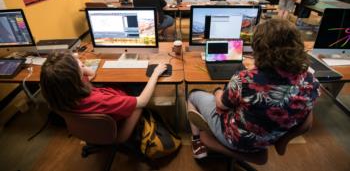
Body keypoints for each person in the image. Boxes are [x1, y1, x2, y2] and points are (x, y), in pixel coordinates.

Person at [187, 19, 320, 159]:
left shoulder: (245, 80)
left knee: (193, 95)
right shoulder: (312, 83)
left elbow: (221, 104)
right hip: (269, 140)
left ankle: (196, 140)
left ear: (258, 47)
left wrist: (217, 91)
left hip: (236, 139)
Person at [40, 52, 167, 123]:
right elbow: (143, 101)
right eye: (77, 64)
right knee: (140, 81)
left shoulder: (61, 93)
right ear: (74, 77)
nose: (80, 62)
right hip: (117, 116)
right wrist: (155, 73)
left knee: (116, 79)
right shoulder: (101, 101)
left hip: (92, 123)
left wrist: (77, 66)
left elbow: (92, 74)